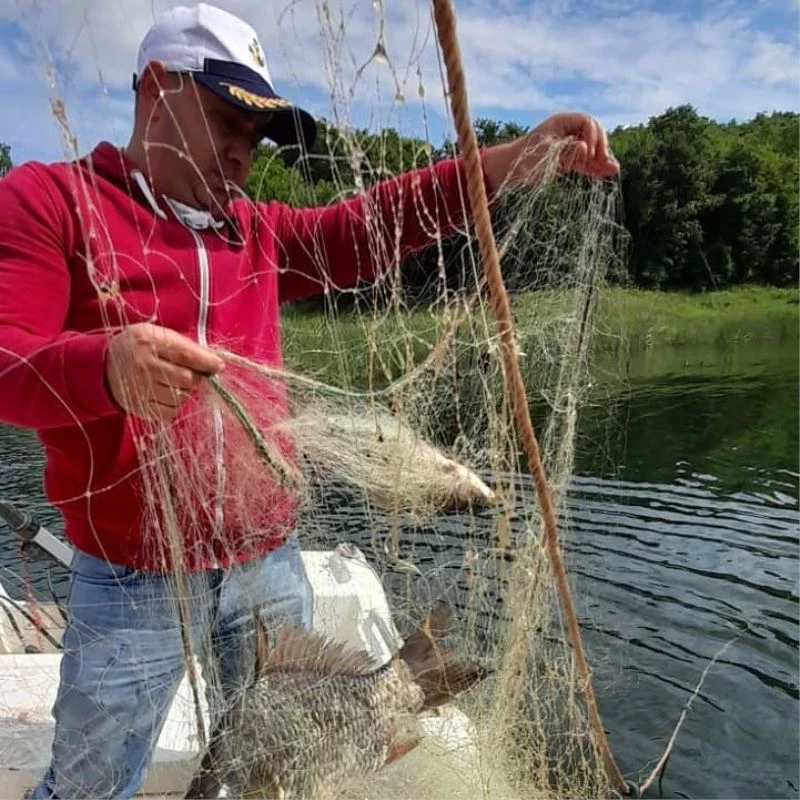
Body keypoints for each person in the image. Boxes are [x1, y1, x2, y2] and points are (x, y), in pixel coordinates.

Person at [0, 3, 619, 798]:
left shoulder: (256, 232)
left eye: (256, 136)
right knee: (90, 785)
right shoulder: (51, 202)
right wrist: (106, 364)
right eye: (228, 119)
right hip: (131, 576)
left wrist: (500, 164)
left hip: (267, 561)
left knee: (280, 775)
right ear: (155, 86)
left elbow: (368, 229)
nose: (242, 153)